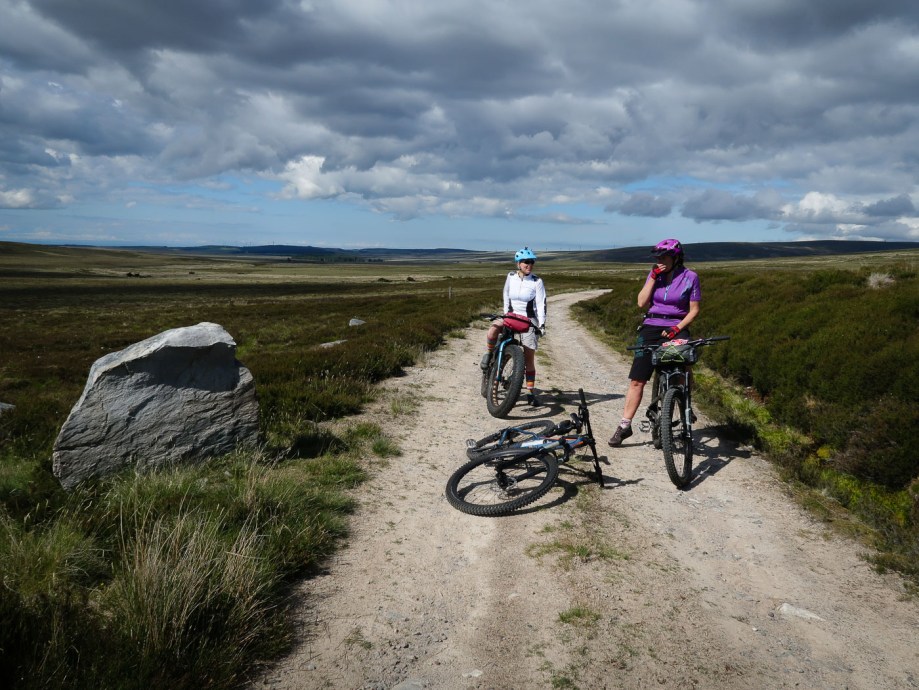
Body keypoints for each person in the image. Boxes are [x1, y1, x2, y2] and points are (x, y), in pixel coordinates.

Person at [608, 238, 701, 447]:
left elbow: (694, 310)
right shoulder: (655, 275)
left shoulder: (690, 277)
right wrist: (652, 277)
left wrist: (677, 328)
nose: (660, 261)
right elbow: (641, 302)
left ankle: (685, 403)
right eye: (658, 257)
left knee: (684, 363)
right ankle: (624, 425)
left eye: (664, 257)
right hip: (651, 325)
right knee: (637, 380)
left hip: (677, 325)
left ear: (676, 258)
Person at [480, 247, 547, 406]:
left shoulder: (537, 282)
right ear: (518, 263)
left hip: (529, 320)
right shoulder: (510, 277)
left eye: (532, 262)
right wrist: (506, 314)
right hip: (511, 316)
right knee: (493, 329)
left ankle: (530, 392)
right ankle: (489, 355)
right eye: (526, 262)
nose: (529, 265)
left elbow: (541, 304)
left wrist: (542, 324)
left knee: (529, 358)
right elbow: (506, 294)